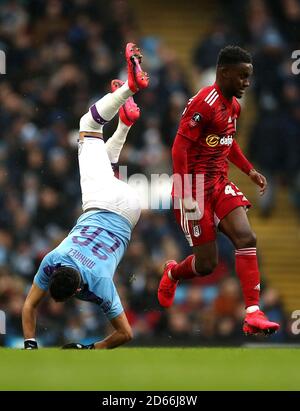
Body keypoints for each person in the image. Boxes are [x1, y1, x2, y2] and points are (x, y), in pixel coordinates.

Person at [22, 43, 149, 349]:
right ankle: (128, 93)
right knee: (88, 125)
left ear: (76, 290)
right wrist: (29, 342)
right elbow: (29, 308)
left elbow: (126, 334)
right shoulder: (53, 260)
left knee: (102, 157)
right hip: (100, 203)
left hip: (130, 211)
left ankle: (127, 116)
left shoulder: (101, 287)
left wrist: (91, 348)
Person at [158, 45, 280, 336]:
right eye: (241, 76)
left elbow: (228, 142)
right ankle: (173, 272)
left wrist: (249, 170)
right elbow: (179, 147)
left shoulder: (234, 106)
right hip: (194, 188)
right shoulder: (204, 103)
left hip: (219, 183)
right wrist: (185, 190)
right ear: (223, 73)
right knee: (207, 264)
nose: (246, 83)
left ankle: (253, 313)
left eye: (248, 77)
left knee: (246, 236)